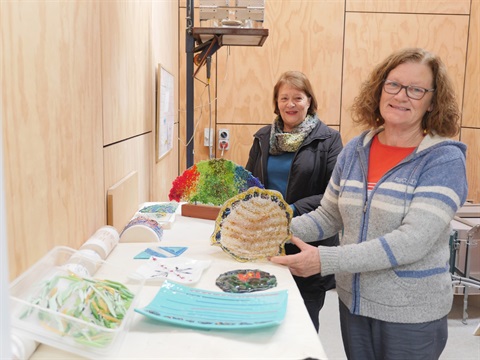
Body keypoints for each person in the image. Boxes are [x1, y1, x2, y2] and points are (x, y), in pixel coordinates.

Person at [270, 48, 468, 360]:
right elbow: (328, 215)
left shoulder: (444, 160)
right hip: (354, 306)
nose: (401, 96)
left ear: (432, 101)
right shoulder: (355, 150)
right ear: (379, 89)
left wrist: (325, 260)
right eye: (393, 85)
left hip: (410, 314)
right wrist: (271, 230)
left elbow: (411, 242)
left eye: (416, 89)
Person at [246, 70, 343, 332]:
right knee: (265, 314)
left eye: (297, 98)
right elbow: (250, 184)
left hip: (309, 242)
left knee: (304, 321)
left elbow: (334, 192)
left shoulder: (329, 140)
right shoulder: (262, 138)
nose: (290, 104)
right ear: (276, 103)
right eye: (284, 98)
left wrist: (293, 209)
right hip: (267, 240)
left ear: (309, 101)